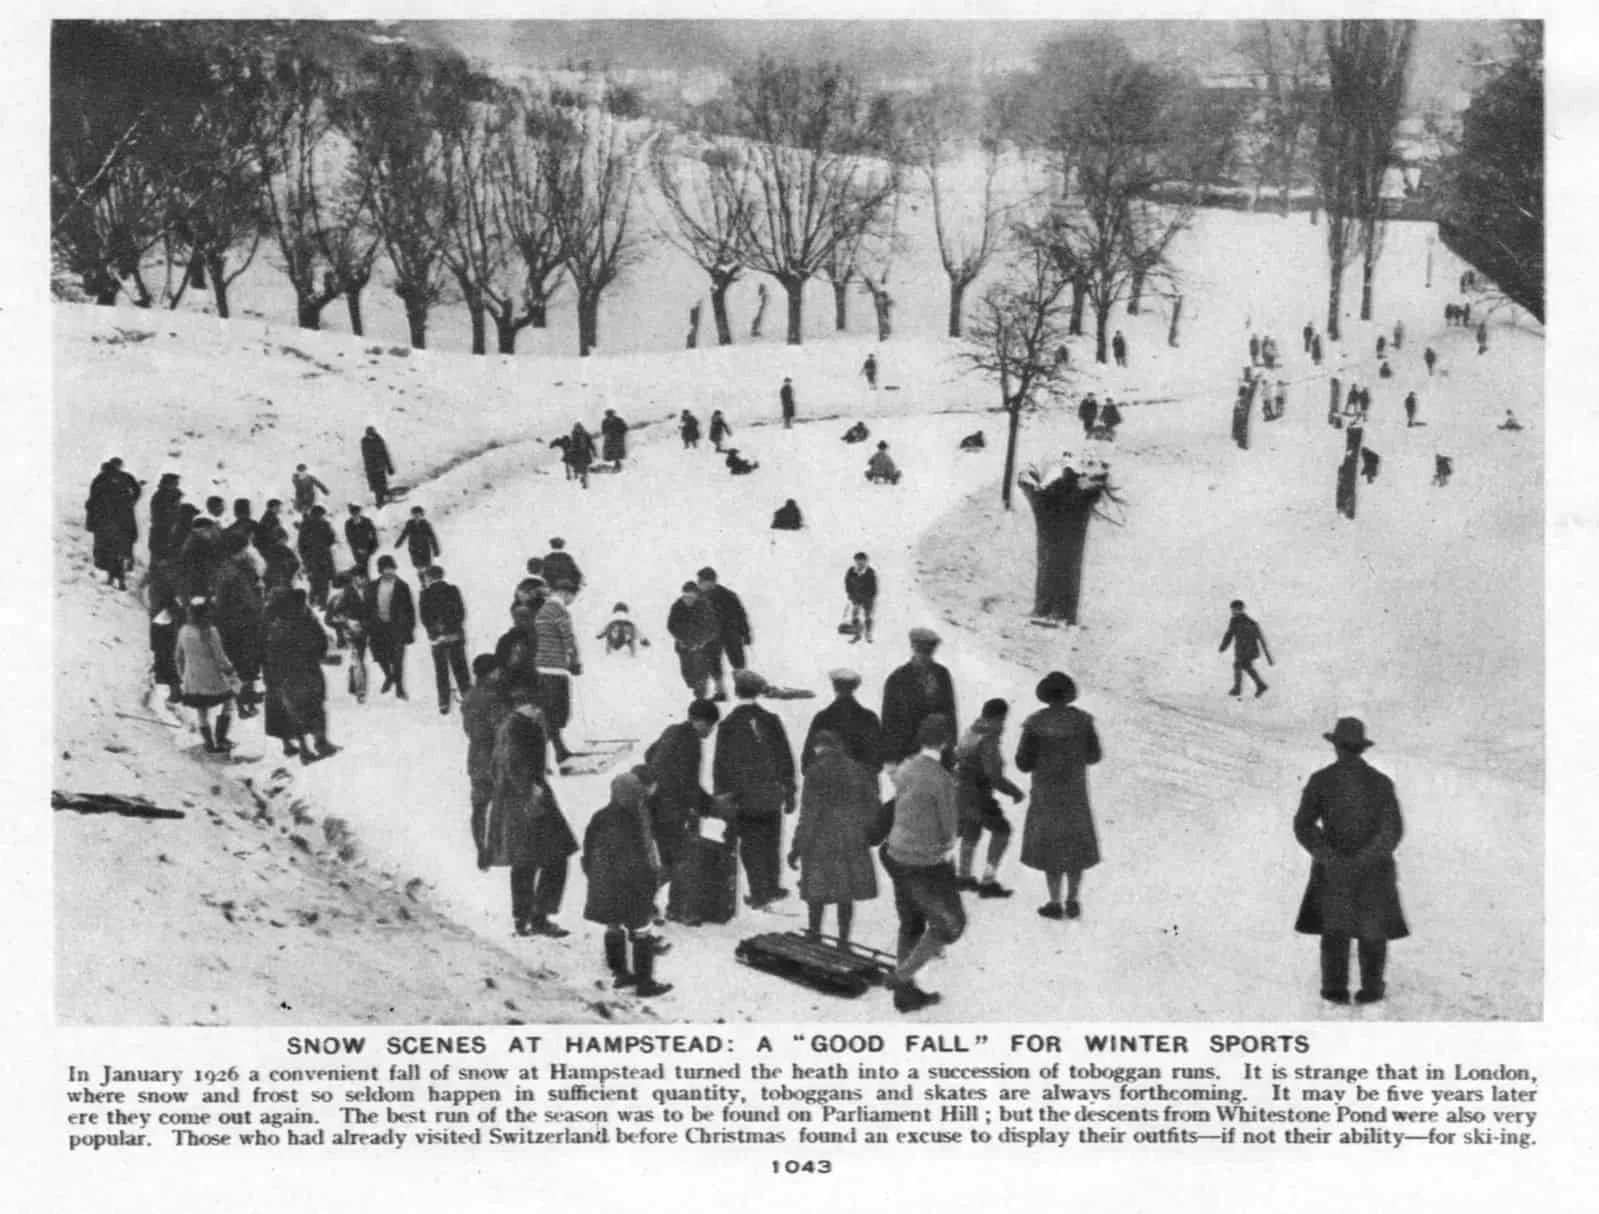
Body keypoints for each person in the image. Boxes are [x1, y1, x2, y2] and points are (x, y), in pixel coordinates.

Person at [1293, 717, 1408, 1005]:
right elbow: (1392, 831)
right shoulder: (1382, 783)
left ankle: (1334, 992)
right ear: (1360, 749)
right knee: (1372, 933)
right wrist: (1365, 859)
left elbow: (1303, 825)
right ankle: (1371, 991)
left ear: (1337, 747)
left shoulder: (1321, 780)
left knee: (1335, 931)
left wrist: (1329, 857)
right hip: (1374, 871)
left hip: (1334, 871)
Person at [881, 714, 965, 1013]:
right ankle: (901, 977)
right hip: (925, 863)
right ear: (945, 742)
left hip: (895, 854)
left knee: (910, 922)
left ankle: (905, 995)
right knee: (950, 924)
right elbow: (949, 828)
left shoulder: (906, 768)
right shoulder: (942, 779)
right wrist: (945, 849)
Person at [484, 685, 577, 938]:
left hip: (523, 799)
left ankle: (529, 918)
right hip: (526, 802)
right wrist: (530, 790)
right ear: (523, 705)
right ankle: (533, 918)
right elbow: (511, 763)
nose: (539, 711)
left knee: (537, 858)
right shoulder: (516, 726)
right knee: (540, 859)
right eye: (535, 707)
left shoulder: (519, 723)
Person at [1017, 672, 1101, 920]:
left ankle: (1054, 901)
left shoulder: (1034, 723)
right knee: (1074, 845)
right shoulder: (1083, 721)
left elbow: (1023, 763)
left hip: (1046, 794)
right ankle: (1073, 898)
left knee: (1050, 846)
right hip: (1074, 793)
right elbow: (1094, 756)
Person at [713, 669, 797, 911]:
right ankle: (772, 887)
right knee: (772, 840)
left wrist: (722, 800)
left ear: (737, 692)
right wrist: (790, 790)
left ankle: (759, 892)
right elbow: (785, 758)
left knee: (750, 845)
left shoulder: (728, 724)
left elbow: (721, 766)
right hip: (771, 796)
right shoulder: (771, 720)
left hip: (744, 799)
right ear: (758, 692)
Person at [583, 772, 673, 996]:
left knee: (613, 926)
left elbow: (587, 853)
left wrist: (596, 878)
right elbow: (639, 860)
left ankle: (620, 973)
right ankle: (645, 983)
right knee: (641, 930)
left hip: (604, 887)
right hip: (632, 888)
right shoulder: (634, 821)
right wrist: (653, 881)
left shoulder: (599, 816)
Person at [789, 729, 879, 944]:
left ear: (819, 747)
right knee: (845, 892)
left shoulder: (815, 772)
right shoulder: (858, 769)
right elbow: (873, 805)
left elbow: (808, 814)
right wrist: (865, 831)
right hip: (852, 837)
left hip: (822, 837)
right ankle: (843, 939)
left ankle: (814, 933)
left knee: (815, 889)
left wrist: (797, 847)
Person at [645, 699, 727, 921]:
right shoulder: (690, 741)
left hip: (657, 809)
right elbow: (687, 783)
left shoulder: (672, 731)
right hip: (670, 811)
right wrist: (707, 804)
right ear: (699, 721)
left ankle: (650, 904)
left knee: (671, 862)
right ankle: (673, 909)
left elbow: (649, 754)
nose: (710, 731)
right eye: (710, 725)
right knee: (681, 860)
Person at [954, 698, 1025, 898]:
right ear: (998, 718)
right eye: (1003, 719)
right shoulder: (989, 739)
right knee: (1002, 831)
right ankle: (988, 880)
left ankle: (964, 876)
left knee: (971, 830)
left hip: (962, 792)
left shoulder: (971, 732)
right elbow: (994, 775)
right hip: (979, 793)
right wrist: (1014, 791)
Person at [264, 588, 339, 764]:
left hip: (288, 677)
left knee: (296, 712)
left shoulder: (277, 626)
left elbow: (272, 655)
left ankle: (305, 749)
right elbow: (321, 644)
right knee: (316, 707)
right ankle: (321, 742)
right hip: (310, 672)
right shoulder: (308, 621)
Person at [881, 628, 958, 766]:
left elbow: (950, 712)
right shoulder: (897, 678)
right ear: (913, 648)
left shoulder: (941, 675)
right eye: (920, 651)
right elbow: (888, 719)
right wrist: (890, 757)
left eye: (928, 652)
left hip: (937, 751)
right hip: (907, 752)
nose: (924, 656)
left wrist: (950, 747)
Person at [210, 531, 265, 718]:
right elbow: (243, 598)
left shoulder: (234, 568)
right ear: (238, 550)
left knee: (245, 664)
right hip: (239, 623)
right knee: (244, 663)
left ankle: (245, 698)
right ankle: (242, 703)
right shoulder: (232, 572)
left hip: (238, 622)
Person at [173, 598, 239, 754]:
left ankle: (209, 743)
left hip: (193, 678)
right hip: (213, 677)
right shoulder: (210, 632)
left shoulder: (184, 631)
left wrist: (183, 674)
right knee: (228, 703)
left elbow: (178, 656)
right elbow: (220, 657)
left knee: (201, 711)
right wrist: (230, 672)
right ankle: (221, 738)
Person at [462, 655, 509, 867]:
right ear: (490, 673)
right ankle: (495, 847)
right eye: (497, 671)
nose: (500, 674)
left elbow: (467, 728)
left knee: (479, 806)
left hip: (475, 756)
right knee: (500, 804)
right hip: (494, 757)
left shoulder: (469, 696)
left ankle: (480, 847)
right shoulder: (493, 698)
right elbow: (501, 728)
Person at [532, 578, 582, 764]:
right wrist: (575, 661)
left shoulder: (543, 610)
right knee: (559, 714)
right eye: (572, 597)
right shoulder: (560, 611)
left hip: (542, 667)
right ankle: (552, 753)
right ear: (566, 593)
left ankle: (559, 750)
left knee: (550, 713)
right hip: (556, 669)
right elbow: (568, 638)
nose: (571, 601)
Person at [801, 668, 883, 773]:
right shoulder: (869, 718)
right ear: (854, 687)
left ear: (835, 687)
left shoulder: (822, 718)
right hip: (862, 785)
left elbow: (807, 762)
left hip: (829, 784)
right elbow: (877, 762)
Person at [419, 565, 471, 715]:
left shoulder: (425, 594)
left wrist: (437, 632)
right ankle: (467, 699)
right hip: (455, 636)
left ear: (428, 577)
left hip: (437, 638)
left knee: (441, 671)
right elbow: (460, 612)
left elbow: (425, 618)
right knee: (461, 669)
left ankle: (443, 703)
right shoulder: (453, 590)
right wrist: (451, 629)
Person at [365, 555, 416, 699]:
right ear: (380, 571)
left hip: (397, 628)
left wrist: (409, 630)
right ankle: (389, 675)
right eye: (385, 569)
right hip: (378, 628)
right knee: (380, 656)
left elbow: (409, 609)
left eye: (391, 569)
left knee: (398, 659)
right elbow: (367, 608)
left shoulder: (402, 586)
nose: (389, 572)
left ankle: (400, 688)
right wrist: (368, 625)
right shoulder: (373, 586)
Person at [86, 458, 141, 589]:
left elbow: (92, 501)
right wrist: (130, 502)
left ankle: (113, 576)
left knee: (108, 549)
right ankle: (119, 578)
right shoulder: (125, 477)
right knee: (120, 549)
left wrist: (92, 522)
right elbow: (137, 490)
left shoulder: (100, 478)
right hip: (123, 520)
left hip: (105, 521)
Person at [697, 566, 751, 697]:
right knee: (713, 663)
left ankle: (742, 689)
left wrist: (745, 633)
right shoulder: (699, 598)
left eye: (701, 581)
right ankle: (720, 691)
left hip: (730, 634)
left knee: (737, 661)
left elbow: (740, 614)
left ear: (711, 581)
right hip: (712, 637)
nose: (699, 584)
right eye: (699, 581)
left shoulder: (728, 595)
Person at [667, 581, 720, 700]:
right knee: (688, 675)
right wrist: (682, 639)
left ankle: (700, 699)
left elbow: (713, 628)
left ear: (696, 595)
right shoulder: (677, 606)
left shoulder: (705, 606)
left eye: (691, 596)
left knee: (700, 675)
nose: (687, 599)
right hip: (683, 647)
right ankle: (695, 689)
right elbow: (671, 625)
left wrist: (700, 642)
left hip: (701, 648)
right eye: (685, 596)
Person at [324, 569, 372, 701]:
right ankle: (360, 691)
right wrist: (346, 623)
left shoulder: (367, 592)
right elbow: (330, 619)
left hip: (362, 631)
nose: (366, 581)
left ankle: (354, 685)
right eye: (363, 578)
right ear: (355, 579)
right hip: (350, 633)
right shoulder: (341, 596)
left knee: (358, 659)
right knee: (358, 660)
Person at [146, 557, 183, 704]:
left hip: (162, 623)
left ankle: (174, 691)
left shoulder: (158, 584)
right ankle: (170, 688)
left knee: (165, 657)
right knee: (166, 657)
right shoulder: (169, 583)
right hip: (166, 622)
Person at [1219, 599, 1273, 698]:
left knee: (1238, 665)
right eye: (1232, 609)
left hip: (1246, 650)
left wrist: (1224, 646)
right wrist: (1224, 645)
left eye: (1234, 609)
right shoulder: (1242, 621)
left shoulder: (1242, 621)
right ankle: (1260, 685)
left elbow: (1232, 635)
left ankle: (1238, 688)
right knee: (1245, 666)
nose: (1232, 611)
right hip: (1245, 650)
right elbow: (1230, 634)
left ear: (1240, 609)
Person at [296, 504, 338, 608]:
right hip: (324, 557)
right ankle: (322, 602)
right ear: (321, 514)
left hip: (310, 558)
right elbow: (331, 540)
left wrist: (304, 559)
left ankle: (312, 601)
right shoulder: (325, 524)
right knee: (324, 581)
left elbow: (301, 545)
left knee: (314, 580)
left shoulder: (304, 525)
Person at [844, 551, 878, 644]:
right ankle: (857, 634)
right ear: (855, 561)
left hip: (868, 598)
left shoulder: (870, 572)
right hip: (856, 597)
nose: (860, 563)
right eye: (858, 561)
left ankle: (868, 634)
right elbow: (847, 584)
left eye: (862, 561)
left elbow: (874, 588)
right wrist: (850, 594)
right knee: (855, 615)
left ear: (866, 561)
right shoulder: (851, 571)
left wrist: (869, 597)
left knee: (868, 616)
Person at [395, 505, 440, 573]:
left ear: (421, 515)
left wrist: (436, 549)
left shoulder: (426, 524)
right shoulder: (409, 524)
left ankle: (429, 581)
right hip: (414, 549)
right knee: (419, 567)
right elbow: (404, 534)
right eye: (414, 515)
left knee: (428, 567)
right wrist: (398, 543)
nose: (416, 516)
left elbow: (432, 537)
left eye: (418, 515)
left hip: (425, 549)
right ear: (412, 515)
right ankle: (423, 581)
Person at [149, 474, 183, 563]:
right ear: (167, 484)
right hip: (162, 532)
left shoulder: (174, 495)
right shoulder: (160, 497)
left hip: (169, 531)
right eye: (175, 483)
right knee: (159, 559)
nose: (177, 485)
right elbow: (159, 516)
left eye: (177, 483)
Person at [361, 426, 395, 507]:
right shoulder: (365, 442)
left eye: (372, 434)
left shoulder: (379, 440)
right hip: (371, 469)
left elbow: (384, 453)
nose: (371, 436)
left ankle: (383, 500)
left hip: (379, 467)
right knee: (376, 487)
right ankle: (380, 502)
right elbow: (367, 456)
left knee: (381, 485)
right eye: (369, 435)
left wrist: (389, 466)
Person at [345, 504, 379, 575]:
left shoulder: (367, 521)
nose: (355, 515)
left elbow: (373, 533)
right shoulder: (348, 523)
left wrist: (374, 546)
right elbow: (349, 538)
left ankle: (365, 581)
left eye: (356, 513)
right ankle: (364, 581)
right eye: (353, 514)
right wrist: (357, 548)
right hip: (356, 550)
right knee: (361, 566)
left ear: (359, 513)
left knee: (364, 566)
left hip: (367, 547)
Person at [566, 422, 595, 488]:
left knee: (585, 468)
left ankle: (584, 480)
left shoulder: (586, 435)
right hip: (577, 454)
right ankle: (582, 477)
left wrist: (594, 451)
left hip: (585, 454)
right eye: (577, 428)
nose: (578, 429)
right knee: (578, 468)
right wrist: (570, 451)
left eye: (579, 428)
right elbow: (572, 445)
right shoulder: (574, 435)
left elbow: (590, 443)